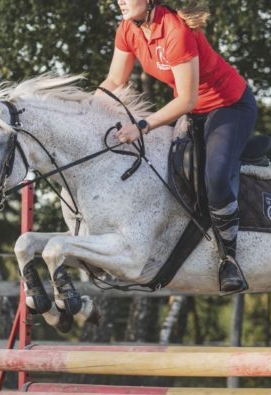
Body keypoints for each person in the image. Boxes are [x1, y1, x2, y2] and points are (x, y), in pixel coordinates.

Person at [99, 0, 257, 295]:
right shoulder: (127, 29)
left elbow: (187, 100)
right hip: (195, 112)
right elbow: (114, 81)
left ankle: (229, 259)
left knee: (215, 176)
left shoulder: (175, 30)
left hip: (229, 106)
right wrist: (85, 109)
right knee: (170, 167)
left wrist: (143, 125)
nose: (118, 1)